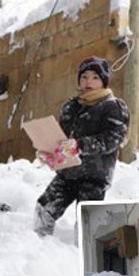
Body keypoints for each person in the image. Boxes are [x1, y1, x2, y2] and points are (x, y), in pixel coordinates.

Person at [34, 56, 130, 236]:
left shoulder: (113, 107)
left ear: (104, 81)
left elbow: (112, 139)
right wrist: (50, 151)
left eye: (95, 77)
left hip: (95, 176)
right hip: (67, 173)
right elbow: (62, 139)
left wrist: (80, 145)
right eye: (84, 77)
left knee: (87, 223)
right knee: (44, 209)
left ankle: (82, 251)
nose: (88, 82)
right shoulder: (70, 106)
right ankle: (39, 245)